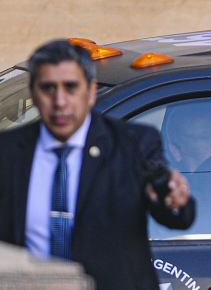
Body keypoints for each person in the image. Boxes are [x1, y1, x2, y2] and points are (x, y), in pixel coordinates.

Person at [0, 39, 195, 290]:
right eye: (48, 88)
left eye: (71, 87)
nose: (60, 101)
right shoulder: (7, 151)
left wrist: (171, 199)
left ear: (91, 92)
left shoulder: (132, 144)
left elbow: (173, 213)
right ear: (34, 94)